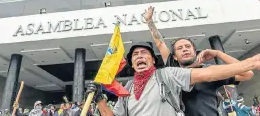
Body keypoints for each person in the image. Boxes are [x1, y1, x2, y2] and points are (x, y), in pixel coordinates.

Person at [85, 41, 260, 116]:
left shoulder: (167, 74)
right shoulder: (127, 88)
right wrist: (100, 99)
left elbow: (209, 73)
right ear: (131, 62)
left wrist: (250, 62)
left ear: (153, 60)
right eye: (135, 55)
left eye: (144, 53)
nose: (139, 56)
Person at [144, 6, 254, 116]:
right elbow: (160, 43)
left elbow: (247, 74)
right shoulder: (173, 70)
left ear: (194, 51)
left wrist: (218, 53)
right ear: (175, 57)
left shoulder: (209, 71)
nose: (185, 49)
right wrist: (149, 21)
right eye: (180, 48)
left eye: (187, 46)